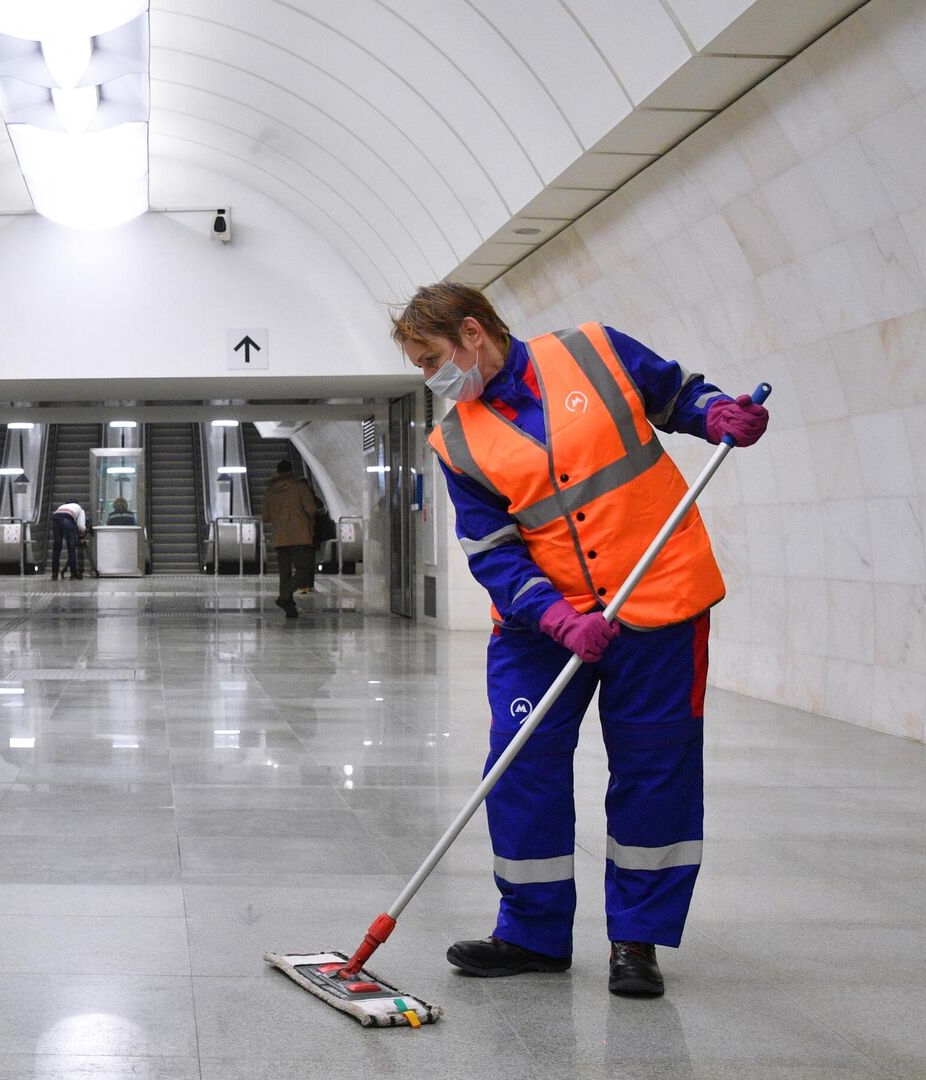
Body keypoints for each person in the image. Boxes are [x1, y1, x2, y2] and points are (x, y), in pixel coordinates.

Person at [392, 282, 768, 998]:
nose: (431, 375)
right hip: (543, 630)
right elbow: (493, 550)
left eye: (431, 357)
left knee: (654, 767)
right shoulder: (456, 439)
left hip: (660, 599)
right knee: (519, 765)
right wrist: (556, 615)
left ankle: (638, 940)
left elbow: (675, 395)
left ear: (473, 332)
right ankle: (531, 932)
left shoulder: (593, 350)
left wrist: (717, 412)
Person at [259, 459, 317, 618]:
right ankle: (284, 596)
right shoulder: (299, 488)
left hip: (280, 537)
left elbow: (265, 516)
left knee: (284, 573)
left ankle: (290, 609)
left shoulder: (269, 492)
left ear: (277, 472)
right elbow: (311, 510)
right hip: (299, 536)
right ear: (291, 471)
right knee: (304, 569)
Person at [50, 500, 86, 580]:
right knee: (71, 547)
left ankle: (54, 573)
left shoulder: (62, 506)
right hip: (67, 519)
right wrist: (82, 534)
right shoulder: (80, 509)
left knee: (57, 547)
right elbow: (81, 526)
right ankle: (73, 572)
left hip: (56, 518)